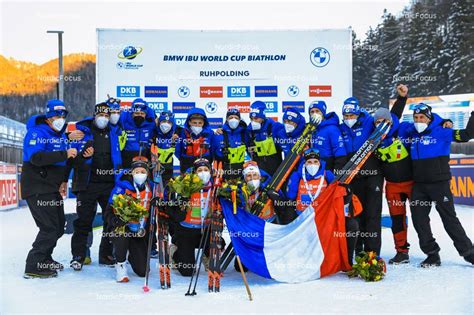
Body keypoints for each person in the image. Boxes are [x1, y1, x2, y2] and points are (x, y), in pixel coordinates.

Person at [402, 104, 474, 267]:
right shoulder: (411, 133)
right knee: (419, 220)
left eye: (422, 117)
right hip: (419, 186)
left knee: (449, 219)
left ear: (429, 118)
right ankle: (432, 254)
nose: (418, 121)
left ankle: (469, 253)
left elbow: (466, 135)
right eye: (416, 118)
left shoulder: (441, 131)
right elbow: (392, 123)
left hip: (439, 184)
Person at [22, 99, 76, 278]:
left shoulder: (59, 136)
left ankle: (45, 258)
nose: (60, 118)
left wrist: (62, 180)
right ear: (47, 117)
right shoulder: (36, 133)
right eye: (56, 115)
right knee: (49, 228)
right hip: (37, 188)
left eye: (63, 115)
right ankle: (33, 265)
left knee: (59, 226)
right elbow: (36, 158)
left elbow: (60, 162)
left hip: (51, 188)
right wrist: (65, 153)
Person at [69, 103, 122, 270]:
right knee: (83, 221)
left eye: (107, 116)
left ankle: (106, 254)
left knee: (111, 221)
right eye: (101, 115)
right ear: (94, 115)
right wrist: (68, 138)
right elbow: (72, 159)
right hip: (87, 184)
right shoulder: (82, 132)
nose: (104, 118)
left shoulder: (115, 132)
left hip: (109, 185)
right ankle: (79, 255)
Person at [286, 148, 361, 265]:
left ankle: (347, 261)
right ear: (304, 163)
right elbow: (290, 196)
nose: (312, 165)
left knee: (352, 225)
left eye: (315, 162)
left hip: (325, 219)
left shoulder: (327, 175)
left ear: (320, 162)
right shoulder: (297, 175)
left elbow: (338, 193)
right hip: (304, 220)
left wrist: (347, 190)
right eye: (309, 162)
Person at [339, 97, 384, 255]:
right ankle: (358, 251)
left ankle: (372, 254)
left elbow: (389, 123)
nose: (349, 119)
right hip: (353, 178)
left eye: (352, 116)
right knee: (356, 214)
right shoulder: (341, 128)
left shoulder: (369, 123)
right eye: (346, 116)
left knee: (372, 215)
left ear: (358, 114)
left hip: (373, 176)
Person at [104, 157, 154, 282]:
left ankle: (132, 255)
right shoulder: (121, 188)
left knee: (143, 272)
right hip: (123, 229)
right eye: (137, 172)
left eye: (143, 172)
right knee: (121, 233)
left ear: (147, 173)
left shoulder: (151, 188)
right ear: (131, 173)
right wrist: (116, 221)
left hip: (139, 230)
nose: (140, 175)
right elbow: (108, 212)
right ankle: (120, 263)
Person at [165, 158, 215, 276]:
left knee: (217, 241)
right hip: (186, 230)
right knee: (187, 271)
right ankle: (175, 252)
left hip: (206, 229)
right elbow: (172, 212)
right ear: (194, 173)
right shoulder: (185, 186)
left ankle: (207, 254)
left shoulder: (216, 187)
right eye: (199, 170)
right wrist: (181, 203)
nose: (203, 173)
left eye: (206, 169)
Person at [246, 101, 284, 176]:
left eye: (256, 118)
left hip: (276, 168)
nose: (254, 121)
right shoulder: (248, 131)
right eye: (251, 118)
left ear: (263, 117)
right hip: (259, 170)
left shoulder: (275, 127)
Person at [308, 101, 347, 172]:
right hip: (313, 166)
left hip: (329, 166)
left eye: (317, 111)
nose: (314, 114)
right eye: (312, 112)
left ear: (323, 113)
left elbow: (339, 149)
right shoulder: (309, 129)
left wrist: (337, 170)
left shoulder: (332, 128)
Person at [174, 108, 214, 173]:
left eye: (200, 123)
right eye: (194, 123)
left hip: (205, 163)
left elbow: (213, 150)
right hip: (186, 163)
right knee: (186, 182)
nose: (197, 125)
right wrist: (183, 159)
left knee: (206, 182)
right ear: (189, 122)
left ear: (204, 123)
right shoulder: (182, 133)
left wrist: (208, 160)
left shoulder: (210, 133)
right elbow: (177, 150)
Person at [213, 108, 249, 179]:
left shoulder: (244, 134)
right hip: (222, 173)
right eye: (231, 117)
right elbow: (212, 154)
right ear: (226, 119)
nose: (233, 119)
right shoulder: (218, 135)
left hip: (239, 173)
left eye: (236, 118)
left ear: (239, 120)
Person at [121, 98, 156, 168]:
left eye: (142, 113)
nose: (139, 115)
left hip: (144, 156)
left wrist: (175, 132)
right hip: (127, 157)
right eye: (136, 113)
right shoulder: (124, 121)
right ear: (132, 113)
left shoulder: (151, 123)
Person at [154, 110, 182, 184]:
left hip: (168, 168)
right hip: (153, 166)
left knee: (168, 189)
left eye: (169, 123)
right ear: (158, 122)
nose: (166, 124)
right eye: (163, 121)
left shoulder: (178, 133)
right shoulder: (153, 131)